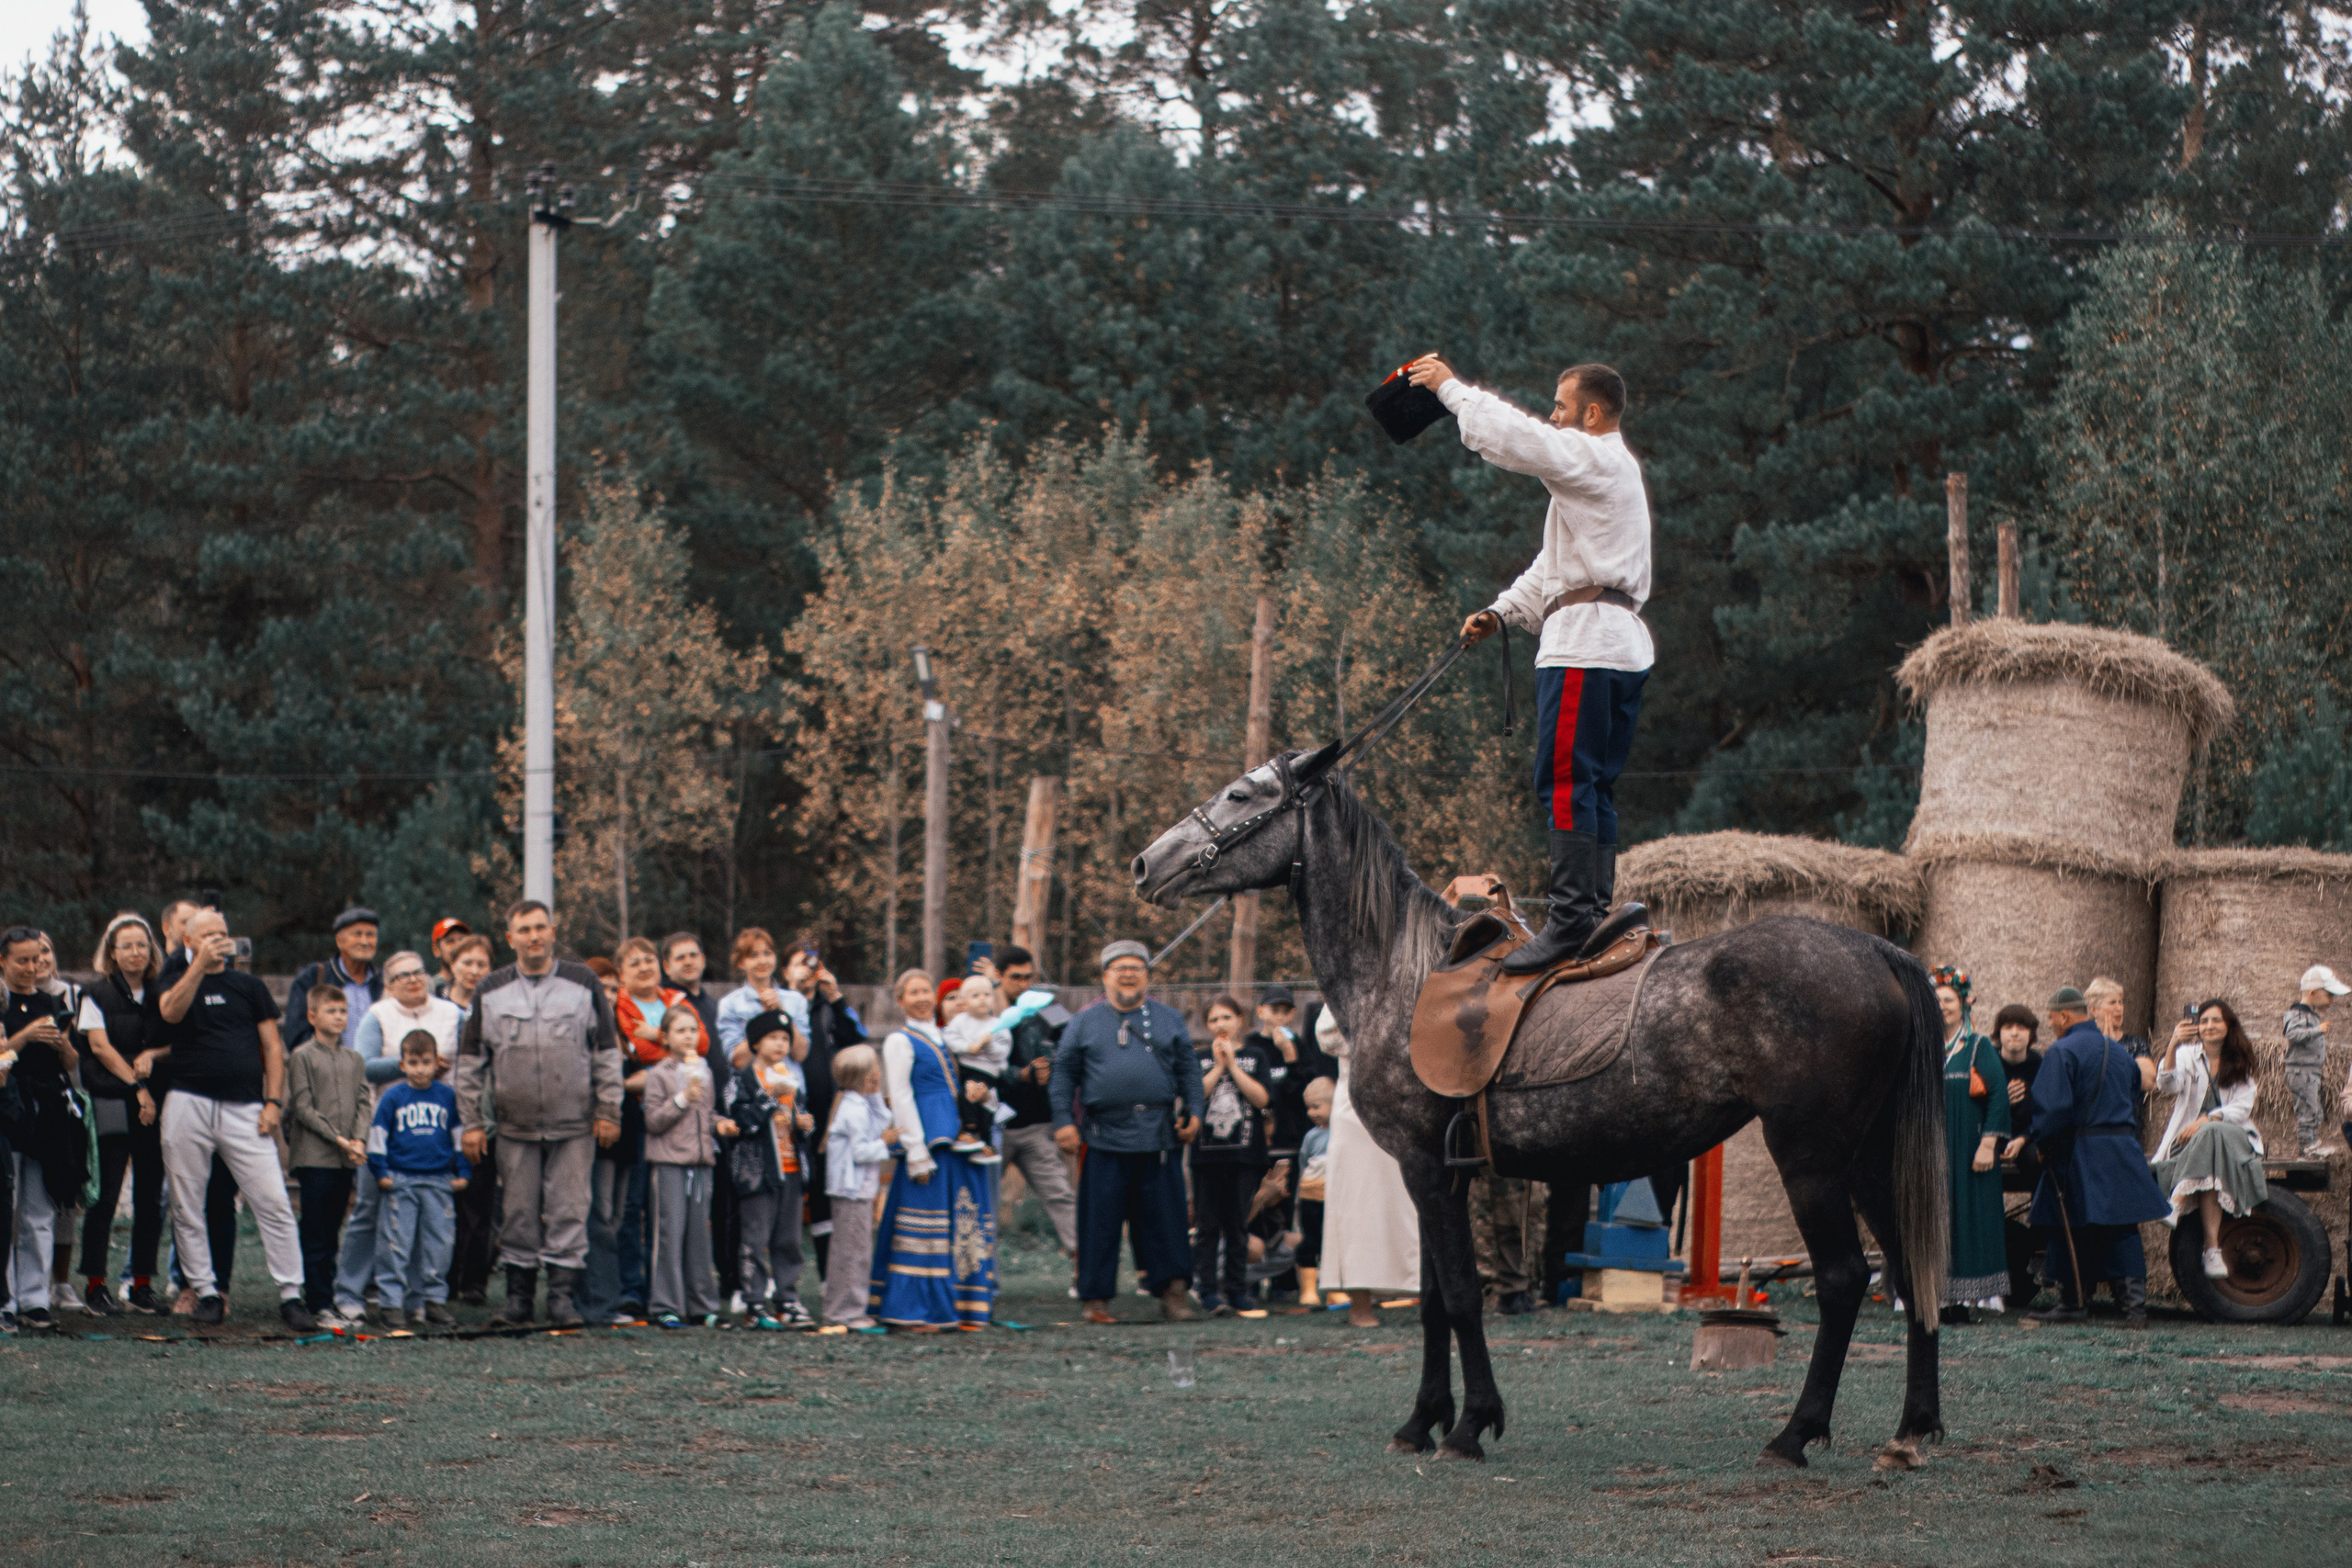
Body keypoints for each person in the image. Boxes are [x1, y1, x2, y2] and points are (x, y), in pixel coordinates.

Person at [1407, 352, 1654, 974]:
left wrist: (1450, 390)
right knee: (1592, 784)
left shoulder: (1596, 456)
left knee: (1565, 780)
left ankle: (1571, 923)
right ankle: (1592, 913)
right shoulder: (1607, 475)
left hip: (1585, 644)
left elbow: (1520, 439)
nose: (1553, 416)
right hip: (1615, 642)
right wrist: (1502, 611)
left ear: (1591, 414)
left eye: (1562, 406)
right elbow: (1557, 565)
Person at [453, 900, 623, 1328]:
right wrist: (472, 1123)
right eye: (524, 930)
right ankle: (519, 1301)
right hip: (514, 1127)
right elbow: (470, 1063)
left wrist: (609, 1110)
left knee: (570, 1211)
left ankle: (562, 1300)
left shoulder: (583, 982)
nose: (533, 936)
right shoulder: (490, 989)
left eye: (540, 928)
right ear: (510, 938)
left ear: (553, 932)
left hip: (576, 1124)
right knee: (518, 1215)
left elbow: (606, 1052)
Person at [149, 909, 318, 1330]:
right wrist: (197, 969)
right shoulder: (175, 978)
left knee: (273, 1200)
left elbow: (273, 1048)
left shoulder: (249, 986)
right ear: (189, 941)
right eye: (208, 935)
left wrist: (273, 1102)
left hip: (245, 1107)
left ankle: (291, 1295)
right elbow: (170, 1013)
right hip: (188, 1102)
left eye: (223, 934)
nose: (218, 940)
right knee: (187, 1203)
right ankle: (206, 1292)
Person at [1050, 942, 1203, 1325]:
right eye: (1120, 968)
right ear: (1105, 976)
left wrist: (1195, 1112)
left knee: (1166, 1221)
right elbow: (1063, 1073)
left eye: (1136, 967)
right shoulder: (1084, 1021)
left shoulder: (1170, 1019)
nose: (1129, 974)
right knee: (1099, 1222)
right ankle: (1095, 1299)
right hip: (1103, 1135)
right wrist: (1063, 1121)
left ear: (1147, 976)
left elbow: (1189, 1071)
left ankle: (1173, 1295)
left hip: (1159, 1135)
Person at [2023, 986, 2170, 1327]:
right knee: (2122, 1229)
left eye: (2051, 1019)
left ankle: (2073, 1303)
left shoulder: (2061, 1051)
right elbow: (2133, 1092)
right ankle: (2134, 1310)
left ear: (2064, 1016)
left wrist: (2043, 1143)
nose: (2051, 1025)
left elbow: (2052, 1110)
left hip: (2080, 1151)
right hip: (2122, 1148)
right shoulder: (2120, 1053)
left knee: (2068, 1226)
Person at [873, 968, 1002, 1330]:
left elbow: (980, 1074)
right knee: (925, 1225)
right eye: (912, 992)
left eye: (926, 990)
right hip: (930, 1141)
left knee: (961, 1221)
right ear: (900, 1000)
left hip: (959, 1138)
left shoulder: (949, 1036)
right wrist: (916, 1152)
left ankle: (962, 1305)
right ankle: (917, 1310)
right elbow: (901, 1094)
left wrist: (983, 1097)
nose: (921, 998)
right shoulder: (899, 1040)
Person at [72, 914, 167, 1315]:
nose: (135, 952)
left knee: (150, 1195)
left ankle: (141, 1284)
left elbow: (178, 1040)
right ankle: (96, 1286)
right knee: (106, 1195)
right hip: (112, 1099)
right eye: (126, 946)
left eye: (142, 945)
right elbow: (100, 1048)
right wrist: (137, 1087)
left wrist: (153, 1055)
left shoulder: (163, 992)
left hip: (155, 1102)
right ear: (112, 952)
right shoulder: (95, 993)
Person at [3, 927, 88, 1330]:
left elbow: (71, 1063)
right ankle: (5, 1299)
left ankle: (35, 1299)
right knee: (7, 1209)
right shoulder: (1, 1002)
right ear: (3, 961)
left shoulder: (54, 1002)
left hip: (48, 1112)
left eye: (37, 959)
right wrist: (25, 1036)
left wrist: (61, 1044)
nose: (31, 967)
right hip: (10, 1110)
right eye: (22, 960)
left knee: (39, 1209)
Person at [1317, 1003, 1421, 1326]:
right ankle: (1360, 1304)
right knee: (1356, 1208)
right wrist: (1378, 1035)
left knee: (1407, 1204)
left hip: (1404, 1102)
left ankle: (1422, 1291)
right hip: (1355, 1108)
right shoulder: (1347, 983)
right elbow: (1326, 1035)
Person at [2153, 999, 2267, 1283]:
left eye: (2216, 1020)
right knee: (2211, 1176)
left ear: (2228, 1026)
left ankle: (2177, 1201)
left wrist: (2207, 1119)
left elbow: (2242, 1108)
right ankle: (2212, 1249)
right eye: (2204, 1021)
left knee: (2213, 1132)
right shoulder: (2187, 1055)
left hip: (2233, 1137)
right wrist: (2172, 1045)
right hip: (2190, 1142)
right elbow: (2167, 1085)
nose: (2209, 1026)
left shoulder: (2239, 1060)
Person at [368, 1031, 471, 1327]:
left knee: (440, 1244)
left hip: (439, 1180)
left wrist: (463, 1172)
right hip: (400, 1180)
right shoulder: (393, 1097)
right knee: (395, 1244)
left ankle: (434, 1301)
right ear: (402, 1064)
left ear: (437, 1062)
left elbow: (459, 1137)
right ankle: (391, 1304)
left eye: (426, 1062)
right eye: (413, 1063)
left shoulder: (447, 1096)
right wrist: (380, 1172)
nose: (420, 1069)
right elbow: (378, 1137)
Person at [723, 1011, 815, 1328]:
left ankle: (787, 1300)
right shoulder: (742, 1080)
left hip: (791, 1170)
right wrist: (767, 1098)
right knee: (755, 1238)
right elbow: (741, 1122)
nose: (780, 1044)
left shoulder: (792, 1081)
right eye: (773, 1037)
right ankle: (754, 1303)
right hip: (757, 1173)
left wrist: (804, 1124)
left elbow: (801, 1121)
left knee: (789, 1240)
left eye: (785, 1038)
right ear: (756, 1043)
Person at [1932, 968, 2009, 1323]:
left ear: (1963, 1003)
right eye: (1936, 1000)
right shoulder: (1926, 1049)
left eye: (1948, 999)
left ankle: (1968, 1300)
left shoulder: (1979, 1047)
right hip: (1933, 1150)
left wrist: (1988, 1144)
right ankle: (1937, 1299)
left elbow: (1998, 1098)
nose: (1942, 1006)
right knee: (1937, 1219)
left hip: (1969, 1149)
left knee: (1971, 1219)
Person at [988, 945, 1076, 1256]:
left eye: (1028, 977)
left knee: (1060, 1196)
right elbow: (978, 1063)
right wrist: (1021, 1075)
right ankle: (977, 1273)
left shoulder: (1045, 1010)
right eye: (1016, 977)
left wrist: (1049, 1070)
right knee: (983, 1202)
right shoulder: (983, 1010)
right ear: (998, 976)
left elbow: (1069, 1053)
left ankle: (1084, 1265)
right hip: (993, 1127)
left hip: (1036, 1124)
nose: (1023, 984)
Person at [287, 989, 369, 1314]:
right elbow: (303, 1108)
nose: (339, 1017)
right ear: (312, 1017)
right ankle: (317, 1300)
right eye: (331, 1010)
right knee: (316, 1231)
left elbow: (364, 1102)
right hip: (315, 1158)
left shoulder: (355, 1059)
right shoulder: (302, 1057)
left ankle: (331, 1294)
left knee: (334, 1229)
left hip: (346, 1159)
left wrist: (358, 1139)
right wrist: (338, 1139)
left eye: (343, 1011)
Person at [1187, 996, 1272, 1314]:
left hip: (1245, 1156)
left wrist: (1233, 1065)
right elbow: (1195, 1098)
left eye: (1226, 1017)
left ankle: (1237, 1289)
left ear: (1240, 1020)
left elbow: (1262, 1099)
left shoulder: (1255, 1055)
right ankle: (1208, 1291)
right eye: (1213, 1020)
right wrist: (1218, 1066)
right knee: (1207, 1227)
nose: (1220, 1025)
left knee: (1238, 1226)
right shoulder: (1198, 1058)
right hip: (1206, 1157)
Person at [642, 1007, 722, 1328]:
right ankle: (666, 1305)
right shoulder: (658, 1074)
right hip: (669, 1163)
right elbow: (653, 1120)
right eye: (681, 1031)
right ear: (665, 1037)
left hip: (701, 1163)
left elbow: (707, 1114)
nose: (689, 1036)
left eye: (693, 1030)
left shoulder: (705, 1071)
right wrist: (682, 1098)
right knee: (669, 1236)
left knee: (699, 1238)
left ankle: (702, 1305)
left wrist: (721, 1124)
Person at [440, 932, 499, 1305]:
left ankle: (474, 1280)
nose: (474, 970)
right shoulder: (436, 1006)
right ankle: (441, 1279)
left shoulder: (495, 1007)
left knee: (479, 1202)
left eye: (482, 964)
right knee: (443, 1201)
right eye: (467, 963)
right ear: (453, 965)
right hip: (441, 1116)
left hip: (483, 1116)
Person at [821, 1045, 894, 1331]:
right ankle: (844, 1313)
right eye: (875, 1069)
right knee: (851, 1253)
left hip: (857, 1191)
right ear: (865, 1077)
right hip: (850, 1191)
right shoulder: (854, 1111)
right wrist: (885, 1142)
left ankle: (849, 1309)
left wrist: (874, 1093)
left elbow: (882, 1118)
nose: (879, 1074)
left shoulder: (860, 1104)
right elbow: (861, 1152)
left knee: (856, 1250)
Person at [1988, 1003, 2045, 1307]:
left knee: (2040, 1161)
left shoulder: (2040, 1065)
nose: (2014, 1033)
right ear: (1998, 1033)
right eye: (2008, 1027)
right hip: (1991, 1136)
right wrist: (2000, 1101)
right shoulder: (1988, 1063)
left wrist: (2024, 1139)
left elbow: (2046, 1112)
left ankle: (2040, 1245)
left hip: (2026, 1137)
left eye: (2021, 1028)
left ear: (2031, 1035)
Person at [355, 952, 464, 1085]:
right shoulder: (377, 1016)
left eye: (418, 972)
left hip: (446, 1095)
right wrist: (411, 1063)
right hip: (394, 1097)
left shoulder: (453, 1013)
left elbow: (472, 1060)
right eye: (404, 976)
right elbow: (363, 1066)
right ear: (389, 986)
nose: (413, 979)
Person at [284, 907, 383, 1050]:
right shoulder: (313, 978)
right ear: (339, 941)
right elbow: (296, 1036)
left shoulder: (384, 982)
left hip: (375, 1064)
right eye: (357, 934)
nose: (364, 942)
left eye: (370, 935)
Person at [941, 976, 1009, 1163]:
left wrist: (989, 1046)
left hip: (988, 1071)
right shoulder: (960, 1022)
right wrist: (969, 1047)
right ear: (965, 1002)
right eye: (975, 995)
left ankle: (985, 1143)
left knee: (983, 1104)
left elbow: (1003, 1051)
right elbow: (951, 1039)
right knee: (967, 1097)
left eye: (987, 994)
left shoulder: (998, 1025)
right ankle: (970, 1131)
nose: (982, 999)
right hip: (966, 1067)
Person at [2081, 976, 2157, 1137]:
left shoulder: (2135, 1043)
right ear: (2094, 1009)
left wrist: (2114, 1050)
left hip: (2127, 1129)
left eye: (2121, 1002)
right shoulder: (2083, 1042)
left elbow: (2148, 1081)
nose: (2119, 1008)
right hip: (2090, 1129)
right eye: (2112, 1003)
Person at [2285, 964, 2346, 1159]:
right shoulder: (2296, 1014)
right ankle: (2307, 1147)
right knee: (2307, 1110)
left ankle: (2311, 1142)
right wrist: (2316, 1030)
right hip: (2300, 1071)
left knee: (2314, 1110)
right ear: (2312, 993)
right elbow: (2292, 1034)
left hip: (2310, 1071)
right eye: (2328, 995)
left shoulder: (2310, 1015)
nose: (2331, 1000)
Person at [1291, 1077, 1334, 1305]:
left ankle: (1335, 1288)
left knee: (1333, 1243)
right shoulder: (1311, 1136)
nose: (1311, 1113)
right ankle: (1308, 1289)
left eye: (1316, 1107)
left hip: (1334, 1199)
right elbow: (1304, 1162)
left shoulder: (1342, 1133)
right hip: (1310, 1198)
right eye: (1308, 1107)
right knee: (1310, 1240)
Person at [429, 918, 473, 993]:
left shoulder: (479, 984)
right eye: (450, 941)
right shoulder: (431, 989)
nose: (458, 945)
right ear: (436, 950)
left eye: (462, 940)